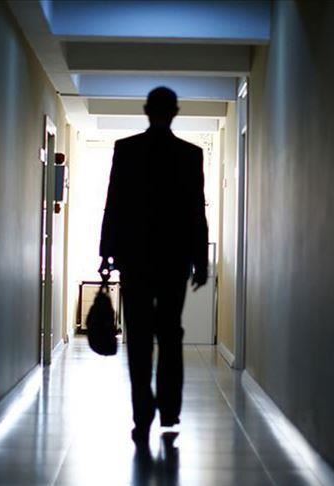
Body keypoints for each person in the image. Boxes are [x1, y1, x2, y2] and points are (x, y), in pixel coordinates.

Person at [99, 86, 209, 444]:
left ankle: (142, 413)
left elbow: (113, 203)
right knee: (170, 333)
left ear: (147, 110)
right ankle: (170, 409)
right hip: (174, 260)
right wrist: (200, 260)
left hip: (135, 259)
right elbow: (196, 211)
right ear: (175, 112)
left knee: (140, 337)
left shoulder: (127, 150)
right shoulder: (190, 155)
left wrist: (106, 251)